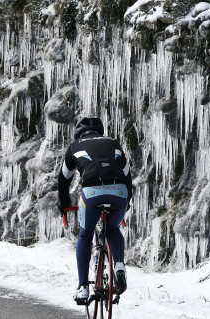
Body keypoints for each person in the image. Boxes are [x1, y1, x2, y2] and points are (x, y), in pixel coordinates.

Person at [57, 117, 133, 303]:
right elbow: (127, 174)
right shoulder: (113, 142)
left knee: (85, 235)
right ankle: (119, 265)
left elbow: (63, 179)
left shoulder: (75, 146)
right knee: (113, 229)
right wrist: (126, 201)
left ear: (79, 133)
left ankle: (83, 287)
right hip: (120, 191)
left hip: (92, 192)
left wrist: (64, 204)